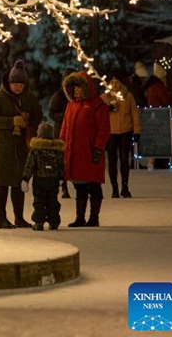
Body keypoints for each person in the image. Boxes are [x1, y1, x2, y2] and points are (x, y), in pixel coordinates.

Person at [0, 60, 44, 229]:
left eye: (20, 84)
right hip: (1, 148)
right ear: (8, 83)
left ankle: (19, 218)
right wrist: (11, 121)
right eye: (14, 84)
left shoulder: (29, 97)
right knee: (1, 183)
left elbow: (38, 115)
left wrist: (28, 120)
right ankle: (1, 218)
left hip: (21, 147)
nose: (17, 87)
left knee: (18, 183)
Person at [61, 71, 110, 228]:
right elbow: (65, 128)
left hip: (90, 152)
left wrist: (98, 148)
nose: (76, 91)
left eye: (79, 88)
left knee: (94, 186)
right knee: (79, 186)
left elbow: (104, 129)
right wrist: (60, 146)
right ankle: (80, 217)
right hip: (75, 153)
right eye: (74, 88)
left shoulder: (98, 105)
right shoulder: (71, 104)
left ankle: (94, 218)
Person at [101, 72, 141, 198]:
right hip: (111, 132)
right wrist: (106, 109)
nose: (114, 84)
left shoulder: (128, 96)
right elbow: (98, 115)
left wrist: (137, 131)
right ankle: (114, 187)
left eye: (117, 81)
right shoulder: (104, 97)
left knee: (124, 159)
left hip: (125, 131)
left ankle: (125, 186)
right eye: (112, 82)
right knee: (112, 161)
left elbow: (134, 113)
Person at [21, 120, 65, 231]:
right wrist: (61, 177)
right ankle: (54, 222)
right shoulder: (57, 150)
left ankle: (39, 222)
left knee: (39, 201)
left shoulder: (36, 150)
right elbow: (61, 165)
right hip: (53, 180)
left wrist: (25, 179)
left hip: (39, 180)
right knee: (52, 201)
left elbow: (29, 165)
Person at [49, 68, 76, 199]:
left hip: (75, 132)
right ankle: (63, 186)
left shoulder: (77, 95)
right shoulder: (59, 96)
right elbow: (52, 113)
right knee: (61, 160)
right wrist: (66, 116)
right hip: (61, 132)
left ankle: (77, 184)